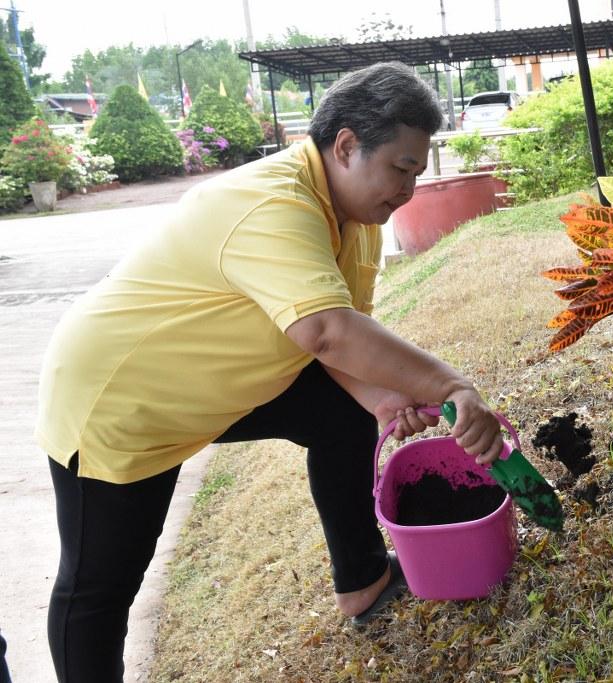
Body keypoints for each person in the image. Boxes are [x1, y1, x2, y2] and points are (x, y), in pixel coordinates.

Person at [35, 62, 504, 682]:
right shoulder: (271, 203)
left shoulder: (357, 218)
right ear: (345, 146)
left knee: (344, 416)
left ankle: (363, 583)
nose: (409, 190)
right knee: (99, 587)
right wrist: (449, 386)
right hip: (122, 398)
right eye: (400, 168)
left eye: (418, 173)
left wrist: (382, 397)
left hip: (214, 380)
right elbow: (327, 332)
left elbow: (338, 345)